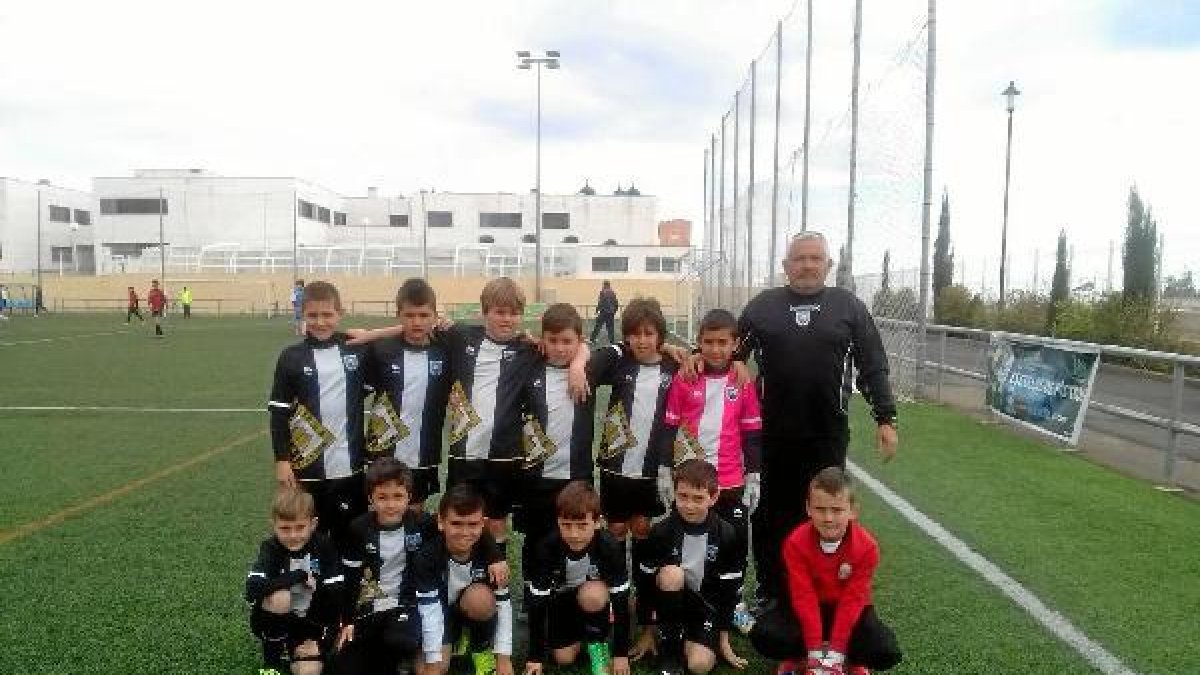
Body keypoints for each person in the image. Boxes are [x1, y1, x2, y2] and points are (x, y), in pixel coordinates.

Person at [724, 232, 898, 612]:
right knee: (769, 514)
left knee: (826, 511)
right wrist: (702, 357)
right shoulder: (763, 307)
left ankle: (823, 588)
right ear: (786, 266)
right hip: (770, 435)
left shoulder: (848, 307)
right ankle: (771, 589)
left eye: (815, 258)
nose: (807, 265)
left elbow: (872, 364)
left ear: (828, 265)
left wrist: (886, 418)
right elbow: (724, 351)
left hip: (826, 435)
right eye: (799, 259)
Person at [586, 298, 678, 648]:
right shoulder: (619, 361)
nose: (642, 340)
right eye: (635, 334)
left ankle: (642, 597)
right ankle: (615, 592)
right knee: (615, 530)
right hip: (616, 466)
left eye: (649, 334)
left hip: (651, 470)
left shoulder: (673, 365)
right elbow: (594, 356)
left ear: (660, 336)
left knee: (642, 529)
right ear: (626, 337)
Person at [749, 467, 902, 675]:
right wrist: (814, 650)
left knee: (884, 650)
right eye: (820, 509)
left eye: (837, 510)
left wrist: (836, 651)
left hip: (846, 607)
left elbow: (852, 600)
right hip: (808, 606)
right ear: (808, 509)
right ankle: (802, 658)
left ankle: (849, 659)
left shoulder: (867, 547)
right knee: (764, 635)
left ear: (853, 511)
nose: (828, 518)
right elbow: (804, 596)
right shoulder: (795, 542)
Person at [268, 280, 373, 555]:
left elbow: (402, 337)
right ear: (303, 315)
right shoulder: (291, 357)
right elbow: (279, 412)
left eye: (327, 314)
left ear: (340, 314)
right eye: (313, 315)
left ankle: (346, 580)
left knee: (349, 538)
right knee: (309, 537)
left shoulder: (356, 348)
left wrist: (371, 335)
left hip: (350, 467)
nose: (320, 322)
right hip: (307, 468)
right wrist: (282, 460)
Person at [662, 308, 762, 597]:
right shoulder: (685, 377)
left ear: (735, 344)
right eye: (709, 342)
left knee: (735, 543)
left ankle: (733, 599)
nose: (715, 350)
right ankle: (685, 596)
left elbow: (751, 432)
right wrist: (664, 469)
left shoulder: (742, 381)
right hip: (691, 482)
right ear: (699, 342)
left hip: (730, 482)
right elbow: (669, 427)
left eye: (722, 343)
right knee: (685, 542)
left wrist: (754, 474)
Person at [635, 460, 746, 675]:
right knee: (671, 574)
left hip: (704, 607)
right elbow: (645, 584)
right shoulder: (661, 532)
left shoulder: (727, 534)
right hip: (669, 599)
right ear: (674, 493)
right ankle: (670, 649)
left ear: (713, 497)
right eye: (683, 496)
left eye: (698, 498)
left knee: (699, 666)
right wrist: (647, 632)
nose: (689, 505)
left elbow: (729, 592)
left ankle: (684, 635)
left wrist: (723, 640)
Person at [516, 303, 597, 591]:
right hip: (535, 475)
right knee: (536, 536)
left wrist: (579, 362)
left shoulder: (589, 369)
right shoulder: (530, 363)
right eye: (552, 340)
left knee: (575, 536)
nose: (560, 348)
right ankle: (533, 590)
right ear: (543, 340)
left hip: (575, 476)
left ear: (579, 341)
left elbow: (622, 350)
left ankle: (571, 589)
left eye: (567, 341)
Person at [337, 457, 438, 675]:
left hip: (406, 602)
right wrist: (347, 620)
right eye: (382, 497)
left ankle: (400, 656)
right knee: (344, 666)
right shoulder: (358, 528)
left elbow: (457, 525)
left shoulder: (422, 523)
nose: (391, 504)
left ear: (409, 496)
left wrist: (494, 555)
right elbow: (351, 578)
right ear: (370, 498)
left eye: (398, 496)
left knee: (401, 640)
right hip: (369, 604)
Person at [524, 481, 631, 675]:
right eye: (566, 525)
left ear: (597, 522)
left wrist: (621, 653)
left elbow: (621, 600)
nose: (574, 534)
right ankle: (584, 634)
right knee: (564, 658)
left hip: (593, 597)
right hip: (561, 601)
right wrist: (535, 656)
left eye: (582, 526)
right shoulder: (546, 548)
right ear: (558, 521)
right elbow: (537, 604)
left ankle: (597, 643)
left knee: (593, 595)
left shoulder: (609, 546)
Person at [364, 278, 453, 512]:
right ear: (399, 315)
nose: (417, 322)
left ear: (435, 316)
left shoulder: (445, 350)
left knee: (414, 514)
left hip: (424, 452)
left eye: (424, 315)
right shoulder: (381, 350)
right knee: (381, 513)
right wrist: (371, 335)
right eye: (410, 315)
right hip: (383, 451)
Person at [412, 485, 513, 675]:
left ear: (483, 524)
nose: (465, 532)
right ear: (441, 522)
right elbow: (430, 611)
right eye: (456, 523)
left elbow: (503, 605)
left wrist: (504, 658)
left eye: (473, 524)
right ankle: (455, 638)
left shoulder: (493, 559)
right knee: (430, 669)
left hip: (468, 605)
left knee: (481, 600)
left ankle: (480, 648)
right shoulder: (427, 556)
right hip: (437, 614)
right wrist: (433, 661)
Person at [245, 487, 345, 675]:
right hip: (275, 620)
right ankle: (271, 663)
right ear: (274, 525)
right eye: (285, 528)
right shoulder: (271, 547)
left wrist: (323, 642)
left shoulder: (324, 545)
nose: (293, 535)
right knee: (280, 597)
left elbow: (337, 594)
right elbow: (253, 589)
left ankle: (296, 652)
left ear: (313, 524)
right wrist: (298, 575)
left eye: (300, 527)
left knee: (309, 672)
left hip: (311, 626)